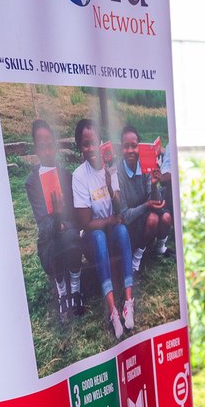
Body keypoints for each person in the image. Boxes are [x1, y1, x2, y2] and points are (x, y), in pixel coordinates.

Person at [70, 119, 137, 339]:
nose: (90, 148)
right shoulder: (79, 176)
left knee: (122, 231)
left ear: (100, 141)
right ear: (80, 147)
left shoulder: (110, 166)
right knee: (99, 236)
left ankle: (128, 301)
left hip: (111, 231)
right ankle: (113, 311)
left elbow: (118, 208)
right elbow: (85, 223)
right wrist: (110, 220)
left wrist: (109, 185)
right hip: (93, 241)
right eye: (85, 144)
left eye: (94, 142)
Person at [23, 118, 82, 323]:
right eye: (42, 147)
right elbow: (43, 225)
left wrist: (64, 221)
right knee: (57, 240)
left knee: (71, 235)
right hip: (49, 241)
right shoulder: (32, 183)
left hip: (70, 232)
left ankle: (76, 290)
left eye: (50, 145)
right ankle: (62, 293)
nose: (47, 151)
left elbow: (74, 214)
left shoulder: (66, 175)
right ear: (36, 149)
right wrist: (57, 217)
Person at [117, 124, 173, 272]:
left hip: (146, 213)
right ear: (121, 149)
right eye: (126, 146)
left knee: (166, 217)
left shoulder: (145, 165)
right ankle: (137, 257)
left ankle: (159, 248)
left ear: (139, 147)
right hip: (131, 223)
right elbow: (125, 216)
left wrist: (154, 185)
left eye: (134, 146)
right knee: (153, 218)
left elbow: (157, 202)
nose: (130, 150)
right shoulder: (118, 173)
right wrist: (147, 205)